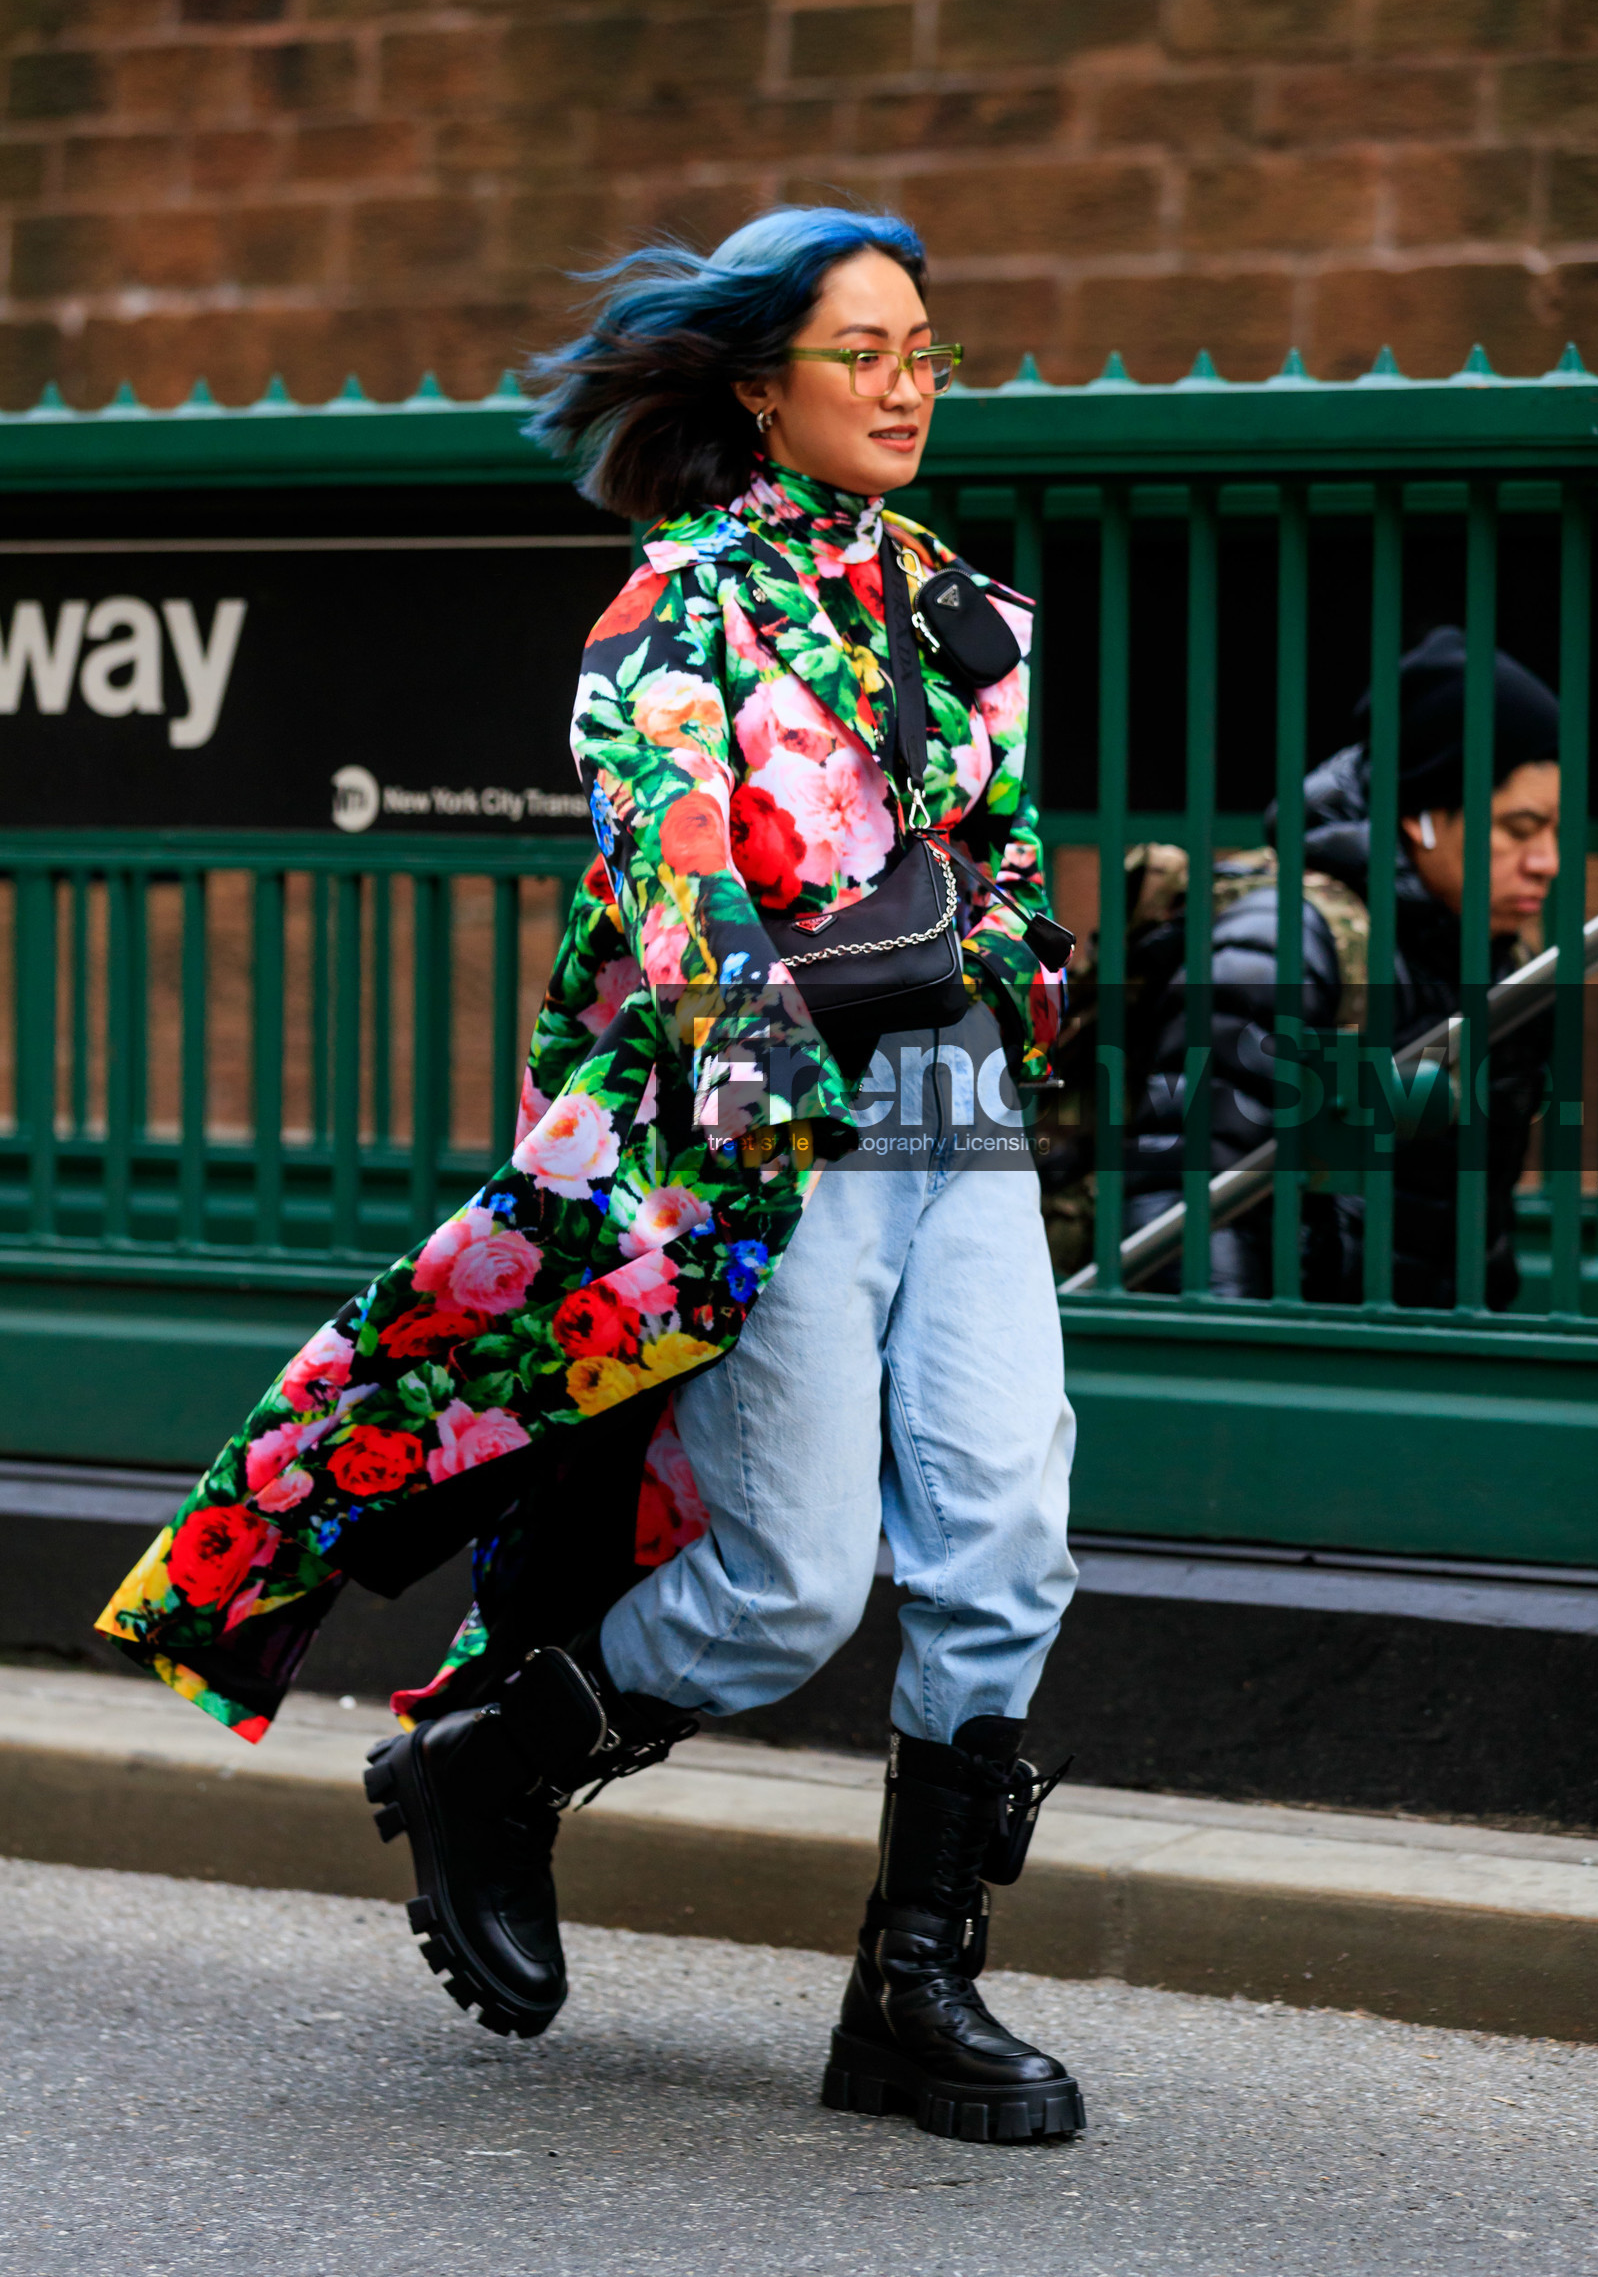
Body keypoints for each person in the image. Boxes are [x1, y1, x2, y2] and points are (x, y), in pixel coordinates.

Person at [97, 206, 1084, 2145]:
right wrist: (747, 1067)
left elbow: (1003, 855)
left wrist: (1026, 998)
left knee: (1006, 1530)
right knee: (790, 1577)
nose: (904, 385)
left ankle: (912, 1978)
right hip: (772, 1120)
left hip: (950, 1108)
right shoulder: (678, 601)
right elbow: (670, 848)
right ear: (756, 385)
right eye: (861, 351)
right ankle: (489, 1753)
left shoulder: (957, 600)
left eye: (923, 351)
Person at [1119, 627, 1561, 1305]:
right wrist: (1240, 1389)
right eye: (1517, 829)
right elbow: (1180, 1204)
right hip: (1301, 1377)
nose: (1547, 861)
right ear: (1423, 815)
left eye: (1554, 831)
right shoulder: (1285, 942)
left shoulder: (1507, 965)